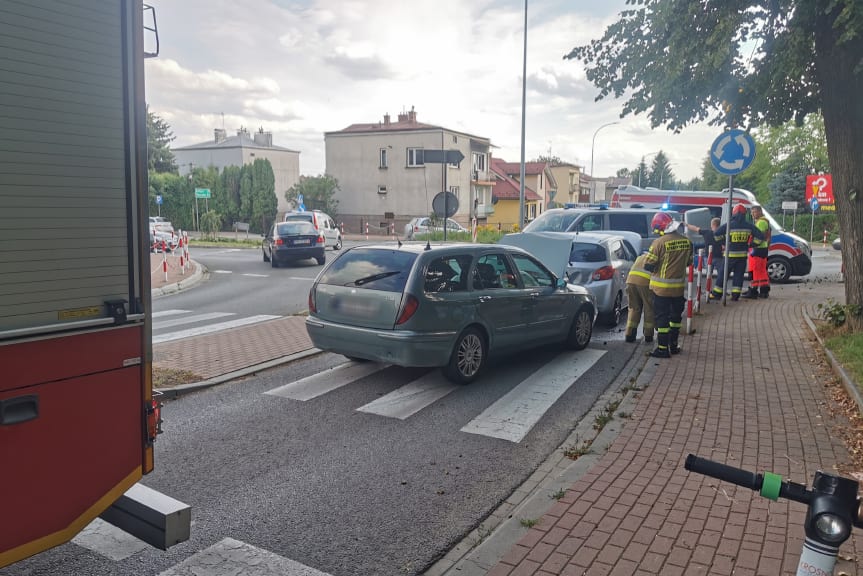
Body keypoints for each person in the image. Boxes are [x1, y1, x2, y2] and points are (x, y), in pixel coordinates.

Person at [644, 212, 692, 358]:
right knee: (676, 319)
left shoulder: (659, 243)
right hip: (678, 289)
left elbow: (648, 265)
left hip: (661, 290)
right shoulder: (687, 241)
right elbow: (689, 262)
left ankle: (662, 349)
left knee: (662, 319)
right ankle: (674, 345)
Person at [710, 204, 764, 301]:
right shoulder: (749, 225)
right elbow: (760, 237)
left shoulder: (729, 225)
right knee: (739, 275)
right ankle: (735, 296)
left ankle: (717, 294)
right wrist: (751, 245)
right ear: (744, 214)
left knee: (723, 274)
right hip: (742, 255)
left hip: (729, 255)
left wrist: (723, 242)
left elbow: (716, 234)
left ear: (733, 213)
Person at [686, 217, 723, 298]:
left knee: (708, 275)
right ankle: (719, 290)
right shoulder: (721, 233)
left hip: (708, 257)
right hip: (719, 257)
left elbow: (695, 228)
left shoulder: (707, 232)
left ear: (712, 224)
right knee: (721, 275)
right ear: (719, 225)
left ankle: (708, 291)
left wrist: (686, 225)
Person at [624, 252, 654, 344]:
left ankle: (629, 334)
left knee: (634, 308)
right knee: (649, 309)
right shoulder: (657, 259)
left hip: (630, 282)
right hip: (645, 284)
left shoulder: (641, 257)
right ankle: (648, 335)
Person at [744, 205, 771, 299]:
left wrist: (750, 245)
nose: (752, 214)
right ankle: (764, 291)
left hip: (757, 249)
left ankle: (753, 291)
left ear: (759, 212)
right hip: (763, 249)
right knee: (761, 271)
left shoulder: (761, 222)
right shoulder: (764, 221)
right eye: (751, 212)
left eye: (754, 212)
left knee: (754, 271)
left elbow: (760, 237)